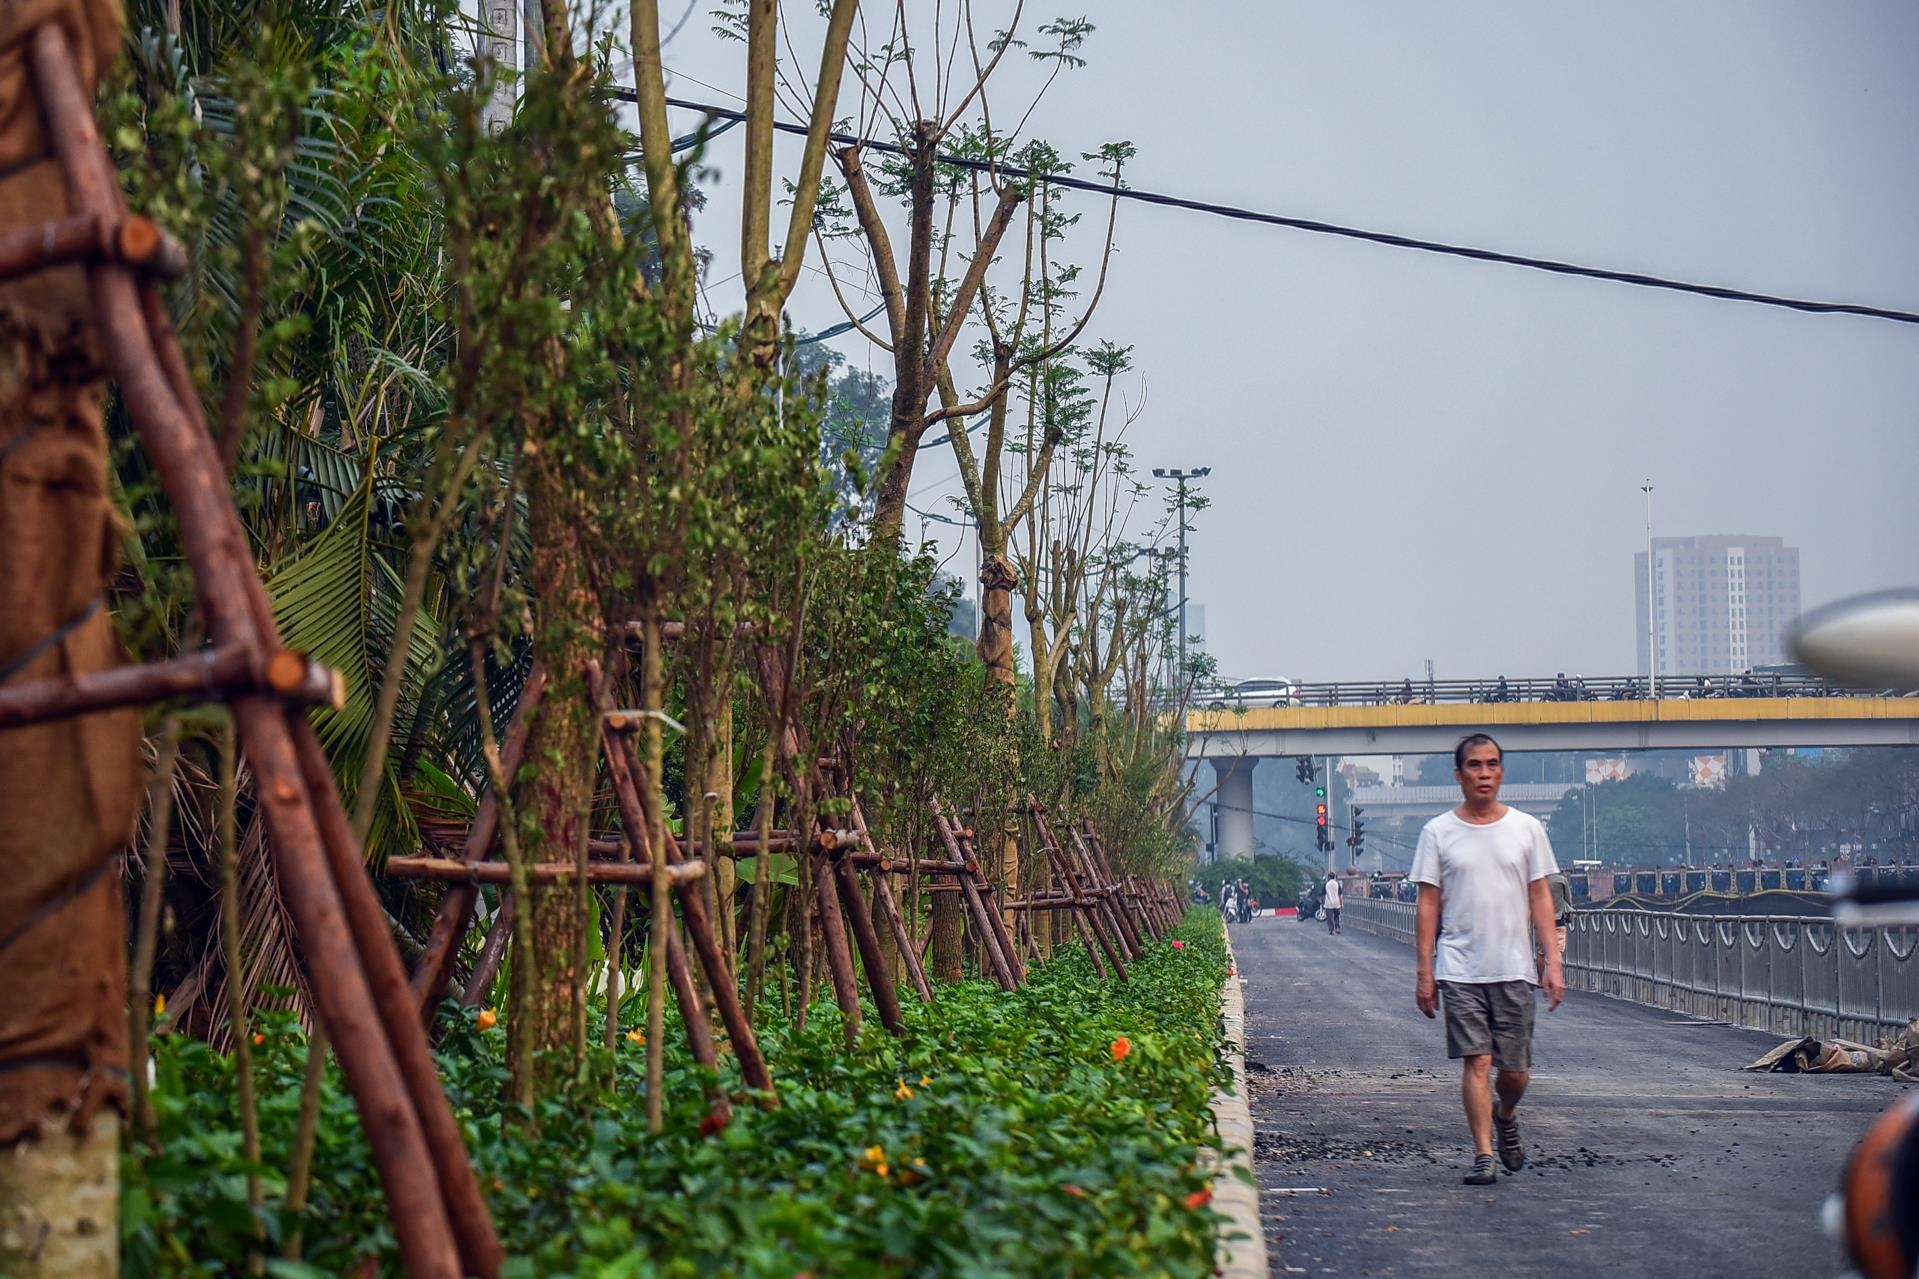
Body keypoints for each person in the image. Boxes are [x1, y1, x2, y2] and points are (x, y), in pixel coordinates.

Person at [1411, 734, 1564, 1186]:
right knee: (1476, 1061)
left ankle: (1506, 1113)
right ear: (1458, 775)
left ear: (1501, 772)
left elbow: (1540, 895)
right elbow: (1428, 904)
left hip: (1514, 967)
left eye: (1491, 764)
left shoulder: (1526, 829)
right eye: (1474, 765)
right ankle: (1482, 1154)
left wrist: (1552, 961)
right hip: (1460, 968)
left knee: (1514, 1071)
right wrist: (1425, 973)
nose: (1483, 773)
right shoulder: (1437, 833)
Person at [1322, 871, 1343, 935]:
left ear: (1329, 877)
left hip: (1328, 904)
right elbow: (1340, 895)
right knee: (1337, 917)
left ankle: (1332, 930)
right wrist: (1342, 903)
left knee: (1329, 918)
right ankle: (1337, 928)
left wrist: (1323, 903)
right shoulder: (1337, 884)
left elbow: (1323, 895)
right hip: (1337, 903)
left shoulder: (1326, 884)